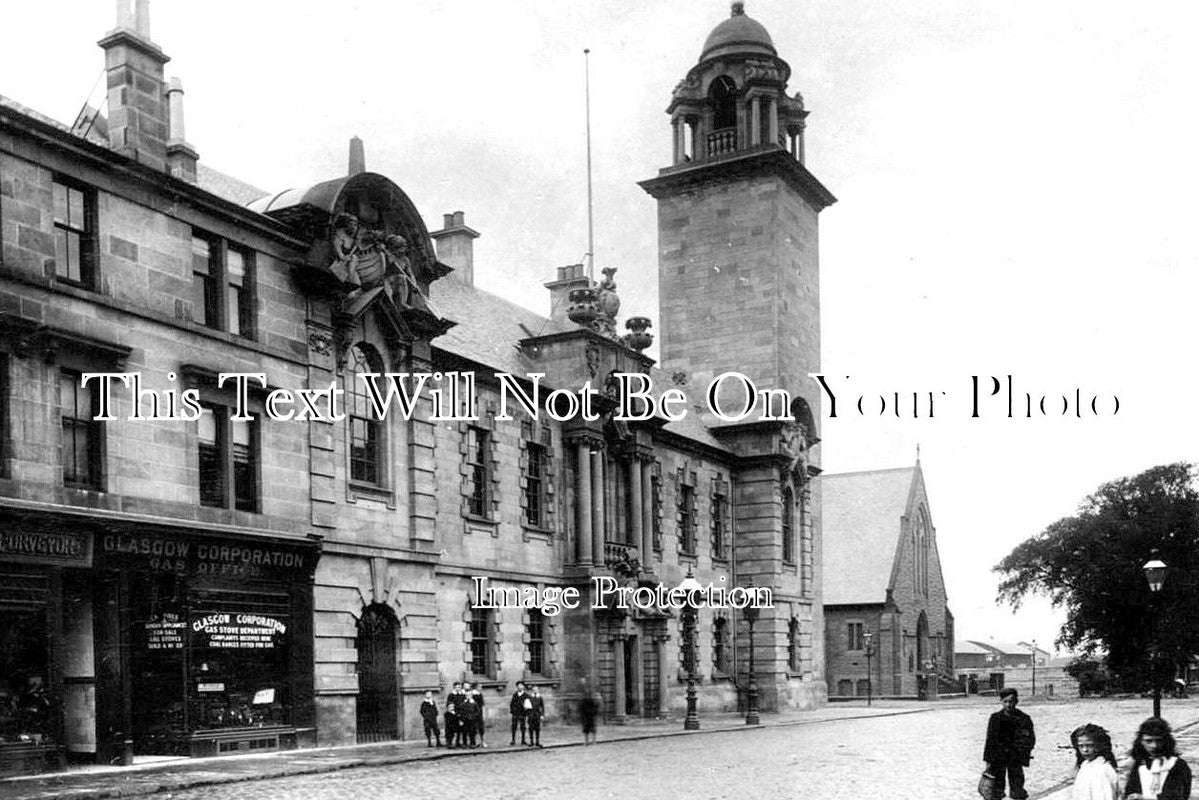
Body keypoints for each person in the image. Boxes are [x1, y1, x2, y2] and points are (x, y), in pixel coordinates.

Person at [984, 688, 1036, 800]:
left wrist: (1024, 752)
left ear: (1016, 701)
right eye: (1005, 701)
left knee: (1017, 785)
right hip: (998, 757)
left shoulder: (1023, 718)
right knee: (997, 787)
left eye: (1011, 701)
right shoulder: (995, 718)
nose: (1008, 704)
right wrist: (988, 760)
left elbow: (1030, 739)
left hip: (1015, 757)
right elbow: (990, 740)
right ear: (1001, 701)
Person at [1125, 717, 1192, 800]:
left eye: (1159, 741)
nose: (1154, 746)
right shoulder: (1140, 764)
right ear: (1141, 742)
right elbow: (1130, 791)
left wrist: (1144, 798)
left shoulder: (1177, 765)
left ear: (1166, 741)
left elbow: (1176, 796)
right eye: (1149, 741)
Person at [1070, 723, 1118, 800]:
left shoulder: (1101, 771)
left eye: (1089, 745)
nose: (1085, 750)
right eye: (1081, 746)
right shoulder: (1086, 765)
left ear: (1099, 745)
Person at [444, 682, 464, 748]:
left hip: (460, 713)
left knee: (459, 729)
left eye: (460, 687)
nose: (459, 688)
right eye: (457, 687)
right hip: (453, 714)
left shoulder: (462, 695)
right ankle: (449, 743)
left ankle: (457, 742)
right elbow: (449, 704)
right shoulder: (451, 695)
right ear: (454, 687)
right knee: (450, 730)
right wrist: (452, 711)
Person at [467, 682, 487, 747]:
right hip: (473, 712)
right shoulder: (471, 694)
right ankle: (475, 741)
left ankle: (482, 741)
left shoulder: (480, 694)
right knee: (474, 727)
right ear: (476, 687)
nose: (481, 688)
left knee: (481, 727)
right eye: (480, 686)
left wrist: (484, 714)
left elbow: (482, 704)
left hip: (479, 712)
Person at [509, 681, 528, 746]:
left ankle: (523, 740)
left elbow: (528, 704)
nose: (520, 687)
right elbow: (511, 704)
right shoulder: (515, 695)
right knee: (514, 726)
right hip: (515, 713)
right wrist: (513, 711)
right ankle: (513, 740)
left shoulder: (526, 695)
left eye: (521, 685)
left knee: (523, 727)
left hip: (522, 713)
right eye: (518, 686)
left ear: (523, 687)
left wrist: (526, 711)